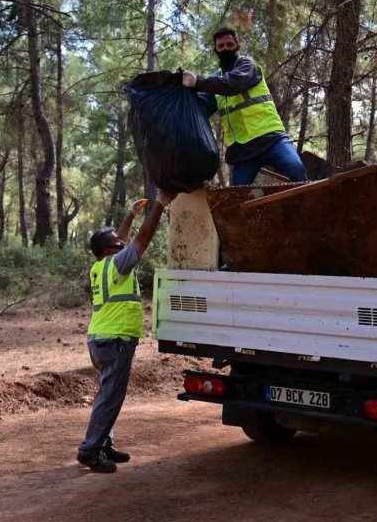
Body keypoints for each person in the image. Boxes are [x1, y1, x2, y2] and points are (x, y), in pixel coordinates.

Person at [76, 193, 176, 473]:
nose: (122, 242)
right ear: (109, 250)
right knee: (109, 398)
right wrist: (160, 205)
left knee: (107, 394)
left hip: (102, 338)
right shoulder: (117, 264)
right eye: (117, 243)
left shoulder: (101, 266)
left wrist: (130, 215)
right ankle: (89, 451)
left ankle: (104, 444)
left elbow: (121, 239)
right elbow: (143, 239)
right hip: (115, 340)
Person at [182, 27, 308, 186]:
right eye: (221, 46)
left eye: (230, 45)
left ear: (238, 46)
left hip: (271, 139)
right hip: (243, 151)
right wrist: (179, 96)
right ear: (215, 50)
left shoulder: (247, 65)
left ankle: (312, 200)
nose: (225, 49)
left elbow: (233, 84)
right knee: (237, 194)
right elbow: (201, 107)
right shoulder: (215, 81)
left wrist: (198, 81)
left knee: (296, 169)